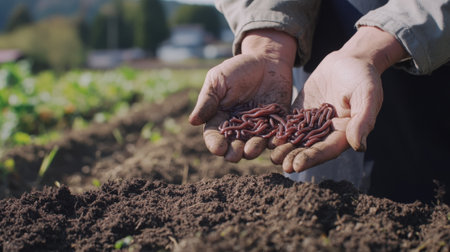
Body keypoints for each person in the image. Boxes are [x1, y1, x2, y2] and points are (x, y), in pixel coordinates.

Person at [189, 0, 450, 204]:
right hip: (320, 61)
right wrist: (268, 39)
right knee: (317, 199)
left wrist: (378, 44)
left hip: (434, 58)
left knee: (428, 196)